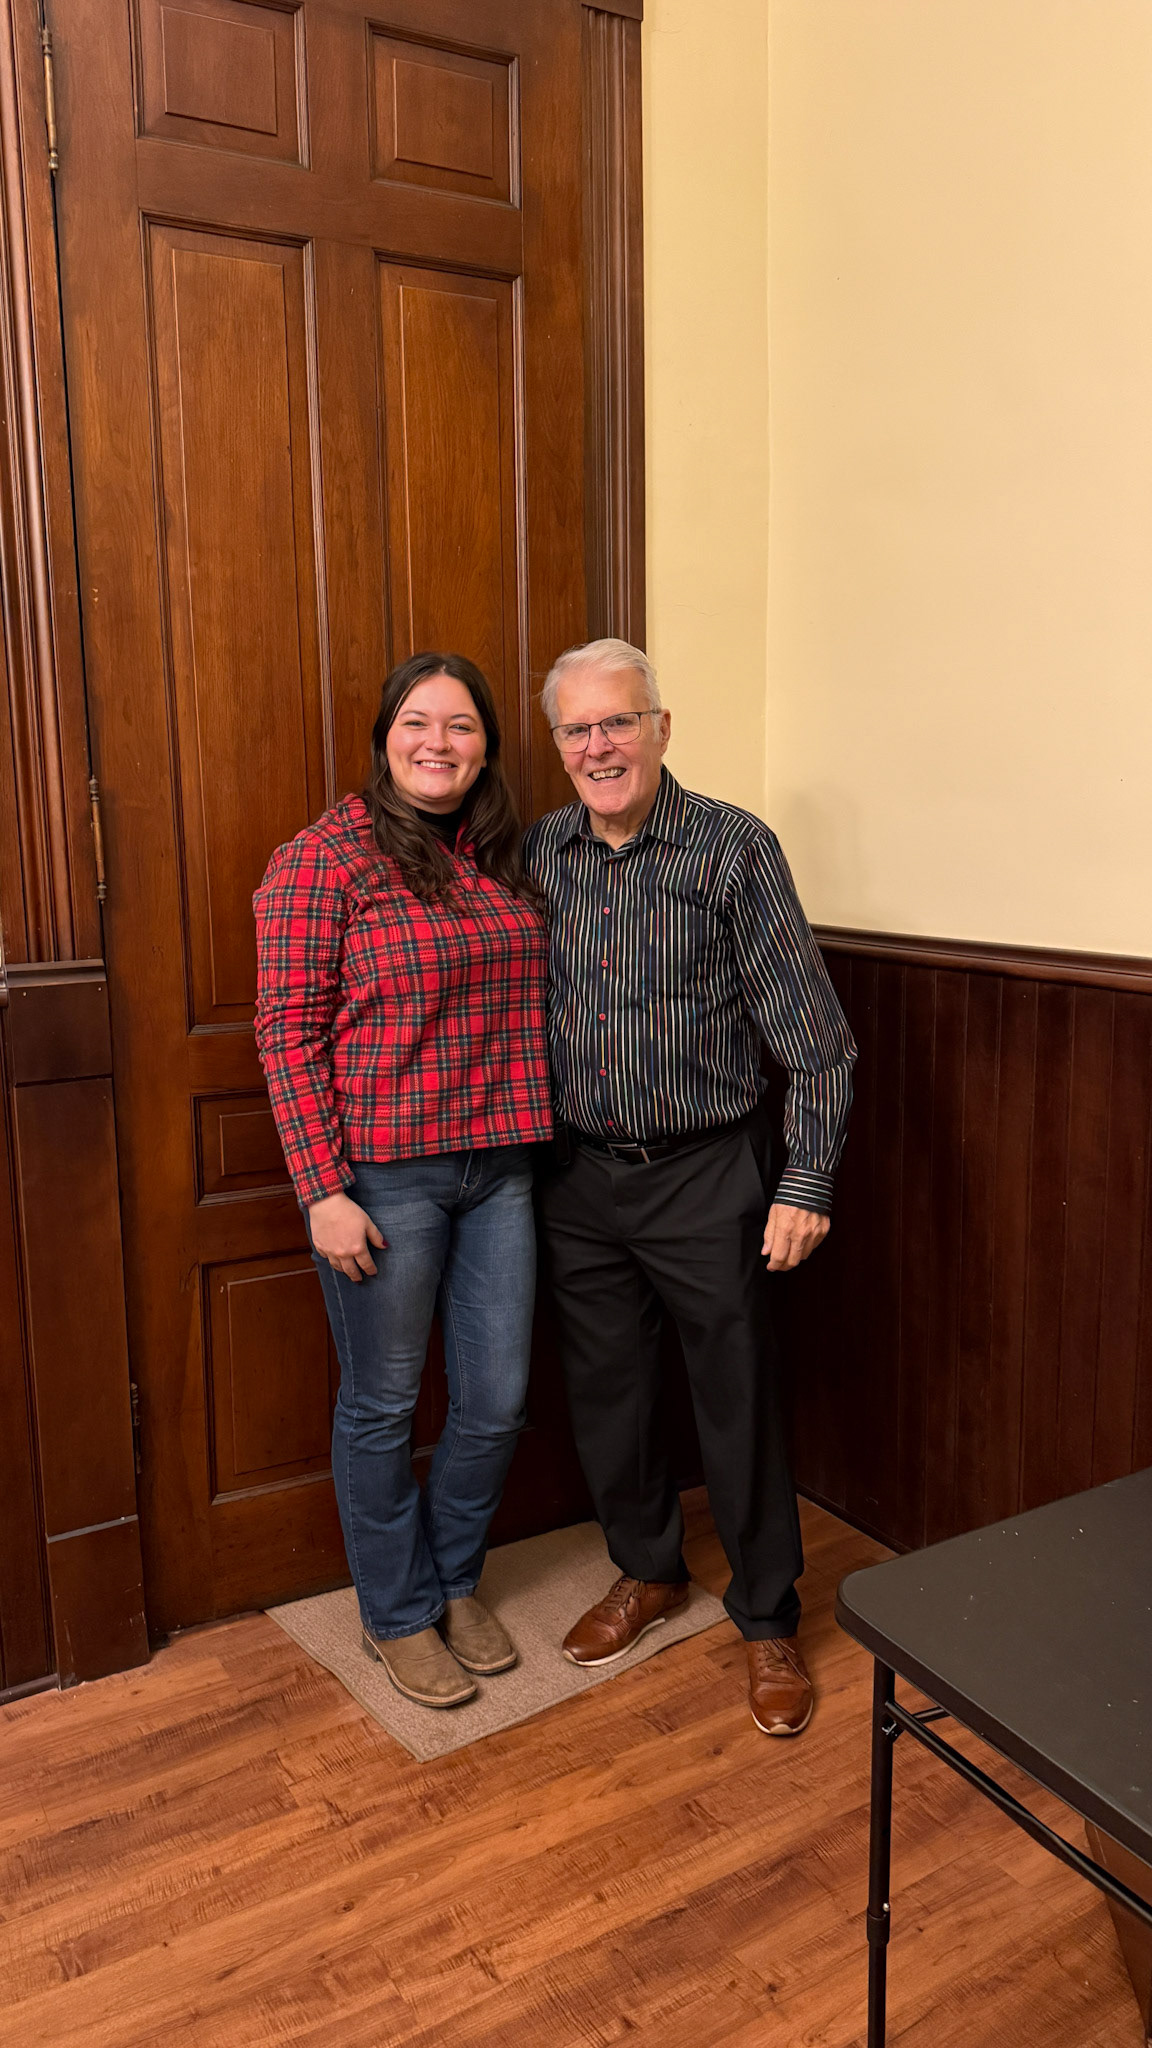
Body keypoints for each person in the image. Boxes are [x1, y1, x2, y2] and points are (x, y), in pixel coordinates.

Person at [526, 638, 856, 1736]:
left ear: (661, 728)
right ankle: (649, 1570)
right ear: (558, 744)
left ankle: (767, 1617)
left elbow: (819, 1042)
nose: (599, 745)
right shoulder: (541, 853)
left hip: (709, 1173)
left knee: (736, 1397)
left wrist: (805, 1182)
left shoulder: (733, 849)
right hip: (578, 1176)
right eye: (577, 728)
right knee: (608, 1394)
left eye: (618, 721)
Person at [254, 652, 552, 1710]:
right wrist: (321, 1189)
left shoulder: (502, 854)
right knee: (381, 1405)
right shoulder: (322, 860)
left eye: (461, 725)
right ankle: (396, 1610)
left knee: (496, 1400)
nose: (439, 742)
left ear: (486, 746)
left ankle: (453, 1578)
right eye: (418, 722)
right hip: (383, 1179)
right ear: (385, 736)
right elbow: (286, 1033)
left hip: (502, 1166)